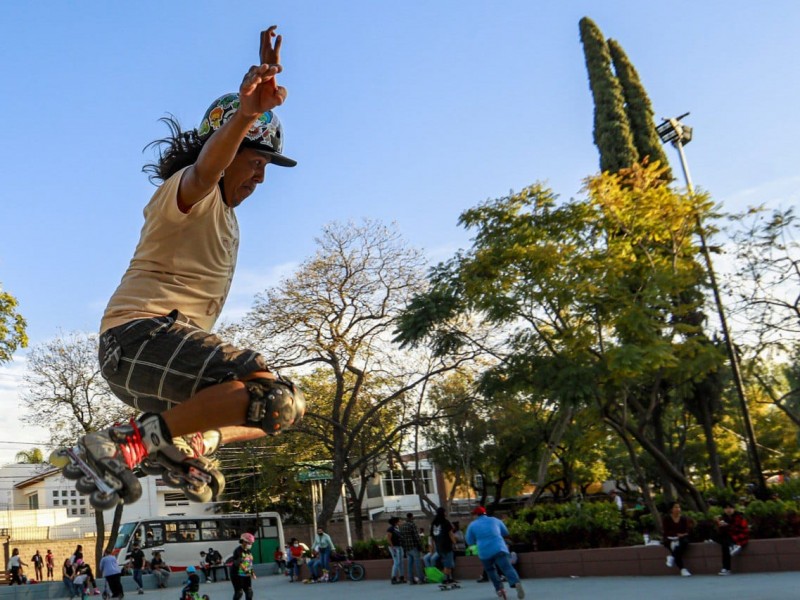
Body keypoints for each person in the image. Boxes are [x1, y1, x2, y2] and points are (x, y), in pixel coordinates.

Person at [58, 25, 305, 510]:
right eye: (255, 161)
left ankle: (191, 441)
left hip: (153, 364)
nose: (260, 175)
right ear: (228, 152)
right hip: (136, 340)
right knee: (263, 379)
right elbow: (206, 168)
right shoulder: (192, 192)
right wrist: (245, 115)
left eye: (266, 168)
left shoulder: (229, 222)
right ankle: (129, 441)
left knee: (281, 406)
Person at [465, 507, 525, 600]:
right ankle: (515, 582)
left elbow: (469, 541)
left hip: (484, 551)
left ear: (476, 515)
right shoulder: (495, 520)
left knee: (491, 570)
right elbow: (505, 532)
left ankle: (499, 589)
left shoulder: (472, 525)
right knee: (507, 567)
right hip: (499, 548)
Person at [715, 501, 750, 575]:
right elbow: (721, 531)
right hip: (728, 537)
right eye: (726, 508)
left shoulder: (739, 517)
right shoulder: (722, 517)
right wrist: (720, 525)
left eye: (730, 508)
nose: (728, 510)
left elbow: (742, 530)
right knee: (718, 538)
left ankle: (726, 568)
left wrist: (727, 526)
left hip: (739, 536)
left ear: (734, 509)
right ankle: (732, 546)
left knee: (725, 546)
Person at [662, 501, 693, 577]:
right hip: (669, 538)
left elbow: (687, 530)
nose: (678, 509)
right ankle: (682, 569)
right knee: (673, 546)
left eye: (679, 507)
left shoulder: (683, 518)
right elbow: (666, 531)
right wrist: (675, 535)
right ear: (671, 509)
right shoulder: (667, 518)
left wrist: (682, 535)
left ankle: (672, 556)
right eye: (675, 507)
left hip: (681, 537)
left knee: (684, 543)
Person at [431, 507, 458, 585]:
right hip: (446, 545)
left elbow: (432, 536)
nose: (446, 513)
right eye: (445, 512)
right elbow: (450, 534)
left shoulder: (434, 523)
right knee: (448, 563)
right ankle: (445, 579)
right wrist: (455, 543)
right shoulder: (445, 522)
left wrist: (433, 546)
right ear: (443, 513)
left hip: (438, 546)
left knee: (447, 563)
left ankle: (449, 578)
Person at [399, 513, 424, 584]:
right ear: (412, 517)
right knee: (417, 564)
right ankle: (421, 579)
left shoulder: (403, 526)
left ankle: (411, 580)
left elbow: (401, 538)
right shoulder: (412, 525)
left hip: (407, 548)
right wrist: (421, 546)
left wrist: (404, 547)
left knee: (409, 564)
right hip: (413, 546)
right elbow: (417, 537)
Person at [231, 532, 256, 600]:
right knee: (239, 592)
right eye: (249, 543)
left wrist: (252, 572)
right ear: (243, 542)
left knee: (249, 592)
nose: (250, 544)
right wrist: (246, 570)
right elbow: (240, 563)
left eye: (251, 543)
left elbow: (249, 563)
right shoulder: (238, 551)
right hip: (236, 574)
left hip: (246, 573)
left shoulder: (248, 551)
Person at [386, 516, 404, 584]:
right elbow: (388, 538)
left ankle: (401, 576)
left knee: (401, 562)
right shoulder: (390, 529)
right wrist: (392, 547)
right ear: (396, 522)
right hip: (394, 547)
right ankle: (393, 578)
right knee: (396, 562)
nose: (400, 522)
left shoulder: (398, 528)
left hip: (399, 546)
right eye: (399, 521)